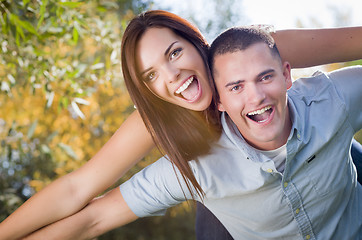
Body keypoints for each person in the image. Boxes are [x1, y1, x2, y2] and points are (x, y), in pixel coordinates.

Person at [1, 10, 362, 240]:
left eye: (174, 53)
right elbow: (79, 192)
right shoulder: (160, 127)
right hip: (227, 191)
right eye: (152, 74)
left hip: (311, 149)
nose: (172, 76)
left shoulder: (256, 50)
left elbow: (356, 41)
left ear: (196, 44)